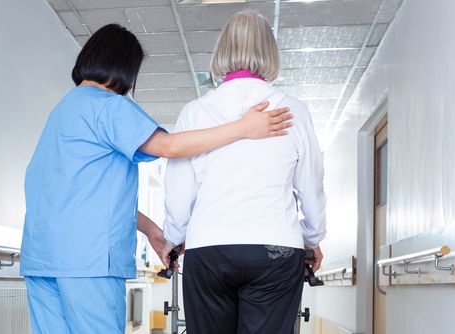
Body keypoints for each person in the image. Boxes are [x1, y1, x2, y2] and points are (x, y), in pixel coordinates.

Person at [20, 23, 295, 334]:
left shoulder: (62, 112)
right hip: (88, 262)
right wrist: (243, 128)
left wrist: (151, 230)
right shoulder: (107, 106)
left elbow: (79, 193)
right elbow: (170, 147)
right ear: (124, 66)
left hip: (40, 259)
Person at [159, 10, 327, 334]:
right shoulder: (294, 111)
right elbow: (311, 187)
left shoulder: (194, 112)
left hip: (209, 248)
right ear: (270, 52)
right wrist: (312, 237)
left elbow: (179, 195)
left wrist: (174, 238)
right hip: (276, 249)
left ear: (223, 49)